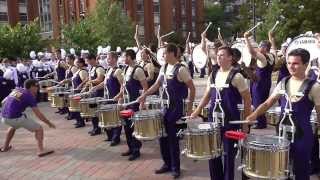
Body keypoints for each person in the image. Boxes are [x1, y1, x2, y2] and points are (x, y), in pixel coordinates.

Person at [247, 48, 320, 180]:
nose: (291, 66)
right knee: (281, 170)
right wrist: (254, 115)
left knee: (301, 171)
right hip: (282, 133)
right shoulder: (284, 82)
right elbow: (268, 103)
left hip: (302, 136)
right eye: (289, 63)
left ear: (305, 64)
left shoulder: (314, 87)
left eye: (295, 63)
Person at [190, 46, 252, 180]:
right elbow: (207, 95)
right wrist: (197, 110)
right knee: (213, 153)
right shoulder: (213, 74)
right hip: (213, 121)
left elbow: (247, 99)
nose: (219, 57)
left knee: (229, 156)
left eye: (222, 55)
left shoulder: (237, 76)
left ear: (230, 57)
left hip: (231, 121)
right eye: (218, 55)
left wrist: (246, 122)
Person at [138, 43, 196, 178]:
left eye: (164, 53)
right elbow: (157, 85)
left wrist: (189, 107)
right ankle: (167, 164)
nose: (162, 55)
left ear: (171, 54)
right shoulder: (164, 67)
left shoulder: (181, 69)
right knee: (162, 137)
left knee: (172, 139)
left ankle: (176, 167)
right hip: (164, 108)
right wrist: (144, 95)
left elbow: (192, 88)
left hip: (176, 109)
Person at [1, 79, 56, 157]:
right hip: (15, 118)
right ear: (32, 87)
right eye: (37, 87)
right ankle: (41, 150)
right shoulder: (29, 96)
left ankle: (5, 147)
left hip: (3, 117)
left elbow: (3, 102)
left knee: (12, 126)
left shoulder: (17, 90)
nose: (38, 89)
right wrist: (49, 123)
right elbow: (38, 114)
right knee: (39, 129)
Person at [90, 51, 123, 146]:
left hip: (115, 98)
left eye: (108, 58)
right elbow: (104, 83)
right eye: (107, 58)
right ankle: (110, 136)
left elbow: (122, 85)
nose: (107, 60)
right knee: (108, 118)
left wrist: (120, 96)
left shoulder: (118, 71)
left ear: (114, 59)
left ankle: (116, 138)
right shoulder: (108, 70)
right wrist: (95, 87)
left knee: (116, 119)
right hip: (108, 98)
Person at [121, 49, 148, 161]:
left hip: (135, 103)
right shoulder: (126, 68)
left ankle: (136, 149)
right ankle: (130, 147)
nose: (123, 59)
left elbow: (145, 88)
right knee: (126, 126)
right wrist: (121, 99)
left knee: (134, 127)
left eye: (125, 57)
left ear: (130, 57)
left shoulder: (138, 70)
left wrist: (142, 103)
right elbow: (123, 85)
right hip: (127, 102)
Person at [244, 31, 275, 129]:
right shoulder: (272, 55)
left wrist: (246, 38)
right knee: (262, 101)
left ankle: (260, 123)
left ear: (265, 48)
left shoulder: (263, 57)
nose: (259, 48)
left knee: (258, 102)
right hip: (266, 82)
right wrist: (270, 36)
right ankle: (261, 121)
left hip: (259, 83)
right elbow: (273, 46)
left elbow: (252, 52)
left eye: (261, 46)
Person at [82, 53, 105, 136]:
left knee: (97, 111)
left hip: (99, 92)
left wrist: (91, 82)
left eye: (88, 61)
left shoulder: (99, 69)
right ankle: (95, 128)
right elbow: (89, 78)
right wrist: (86, 86)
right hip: (93, 92)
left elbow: (100, 79)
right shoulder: (92, 68)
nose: (88, 63)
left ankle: (98, 128)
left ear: (92, 59)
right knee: (93, 111)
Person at [72, 58, 89, 128]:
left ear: (81, 63)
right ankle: (78, 121)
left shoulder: (82, 71)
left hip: (80, 91)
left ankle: (81, 122)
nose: (75, 64)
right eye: (75, 62)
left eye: (77, 62)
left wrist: (82, 87)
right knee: (76, 107)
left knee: (79, 108)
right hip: (76, 91)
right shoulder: (78, 71)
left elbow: (85, 81)